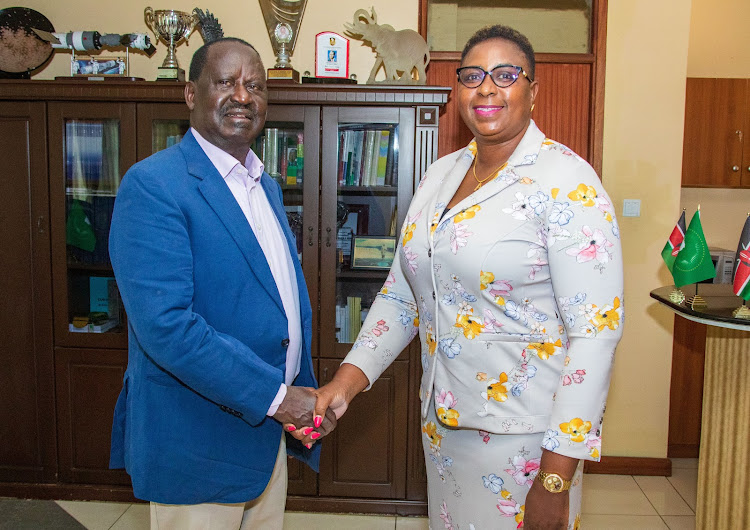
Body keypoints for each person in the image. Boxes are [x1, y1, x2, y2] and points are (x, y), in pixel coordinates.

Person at [310, 25, 624, 529]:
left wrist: (555, 479)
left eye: (505, 75)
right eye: (472, 75)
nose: (486, 88)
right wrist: (345, 384)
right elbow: (402, 297)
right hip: (444, 425)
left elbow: (596, 334)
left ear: (532, 90)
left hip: (525, 444)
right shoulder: (440, 176)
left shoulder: (568, 183)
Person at [108, 37, 335, 529]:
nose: (243, 96)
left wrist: (300, 394)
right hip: (197, 446)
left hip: (265, 441)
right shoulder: (154, 185)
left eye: (255, 85)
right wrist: (280, 400)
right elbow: (168, 328)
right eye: (226, 82)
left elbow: (276, 304)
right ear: (191, 94)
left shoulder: (264, 185)